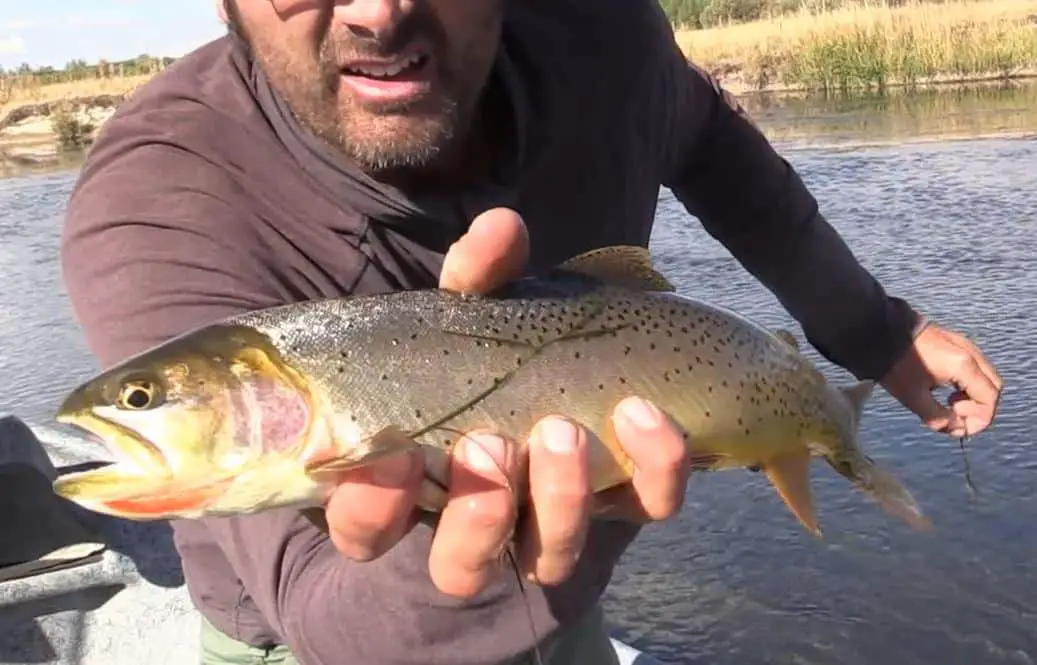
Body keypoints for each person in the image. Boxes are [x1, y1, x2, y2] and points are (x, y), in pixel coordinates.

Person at [59, 1, 1003, 664]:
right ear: (222, 4)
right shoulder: (156, 205)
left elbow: (713, 145)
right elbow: (318, 610)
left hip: (568, 596)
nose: (379, 12)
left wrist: (873, 330)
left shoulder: (601, 34)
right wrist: (458, 573)